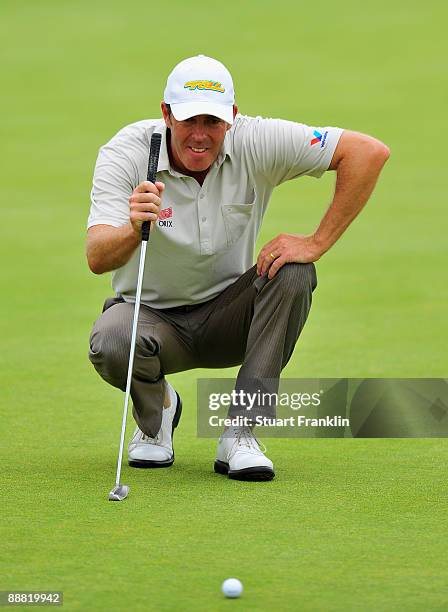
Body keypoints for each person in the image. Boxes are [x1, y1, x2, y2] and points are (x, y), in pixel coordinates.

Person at [87, 55, 390, 482]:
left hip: (231, 317)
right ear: (166, 114)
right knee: (110, 340)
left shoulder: (256, 139)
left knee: (294, 272)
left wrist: (316, 242)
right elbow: (97, 257)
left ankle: (240, 432)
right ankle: (157, 418)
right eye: (189, 120)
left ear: (232, 116)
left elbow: (368, 152)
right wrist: (132, 229)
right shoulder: (128, 152)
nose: (199, 135)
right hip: (150, 318)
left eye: (212, 121)